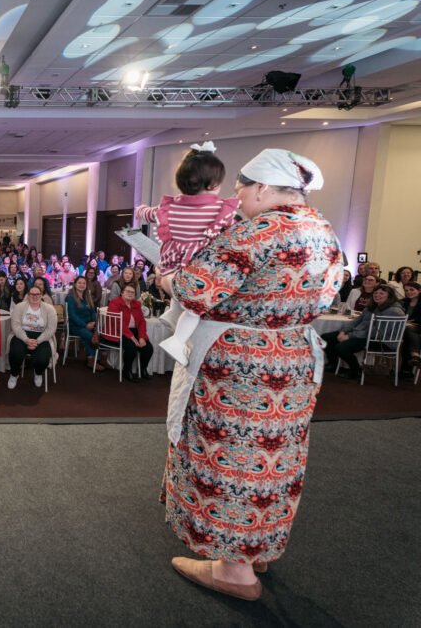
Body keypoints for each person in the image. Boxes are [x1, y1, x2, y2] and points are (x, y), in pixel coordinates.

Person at [160, 148, 341, 601]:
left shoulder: (255, 233)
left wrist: (166, 278)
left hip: (241, 369)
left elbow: (194, 289)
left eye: (240, 188)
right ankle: (255, 546)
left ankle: (234, 570)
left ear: (261, 187)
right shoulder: (323, 229)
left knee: (233, 457)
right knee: (274, 458)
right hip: (293, 359)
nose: (236, 197)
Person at [135, 143, 240, 366]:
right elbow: (236, 234)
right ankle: (178, 340)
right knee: (196, 307)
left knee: (179, 295)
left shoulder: (170, 209)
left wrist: (140, 209)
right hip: (196, 267)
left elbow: (145, 213)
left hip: (170, 263)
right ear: (213, 184)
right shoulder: (219, 210)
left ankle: (172, 314)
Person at [322, 285, 404, 378]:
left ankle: (356, 370)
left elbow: (376, 332)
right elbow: (356, 321)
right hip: (364, 335)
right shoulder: (372, 307)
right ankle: (333, 364)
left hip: (381, 341)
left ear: (389, 296)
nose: (377, 295)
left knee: (341, 347)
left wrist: (350, 336)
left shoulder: (393, 311)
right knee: (326, 337)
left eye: (381, 293)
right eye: (376, 293)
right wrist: (343, 332)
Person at [7, 285, 57, 389]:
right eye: (32, 294)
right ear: (28, 296)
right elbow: (15, 325)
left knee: (42, 359)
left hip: (42, 336)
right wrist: (26, 339)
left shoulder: (49, 309)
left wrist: (37, 341)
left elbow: (51, 329)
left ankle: (38, 373)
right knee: (15, 353)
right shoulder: (19, 307)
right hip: (21, 335)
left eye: (37, 294)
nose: (34, 296)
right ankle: (14, 374)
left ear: (41, 295)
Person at [104, 284, 153, 382]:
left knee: (148, 348)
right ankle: (127, 370)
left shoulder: (136, 304)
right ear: (122, 293)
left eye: (132, 292)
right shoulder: (115, 302)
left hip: (133, 331)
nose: (130, 294)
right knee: (131, 347)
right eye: (128, 291)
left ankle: (143, 369)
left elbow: (142, 322)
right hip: (117, 331)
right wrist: (131, 336)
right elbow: (117, 322)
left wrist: (142, 336)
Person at [65, 276, 104, 370]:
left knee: (100, 334)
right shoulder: (70, 297)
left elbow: (93, 312)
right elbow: (72, 316)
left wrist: (94, 322)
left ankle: (96, 359)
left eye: (84, 283)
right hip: (75, 325)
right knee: (90, 336)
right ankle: (92, 360)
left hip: (89, 323)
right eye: (79, 283)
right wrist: (85, 325)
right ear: (75, 284)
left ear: (86, 285)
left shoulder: (87, 296)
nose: (82, 285)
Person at [402, 281, 421, 372]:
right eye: (406, 290)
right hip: (406, 328)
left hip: (418, 327)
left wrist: (410, 321)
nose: (409, 292)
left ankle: (415, 355)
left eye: (412, 290)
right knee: (407, 335)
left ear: (419, 290)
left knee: (409, 329)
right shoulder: (404, 302)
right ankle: (413, 360)